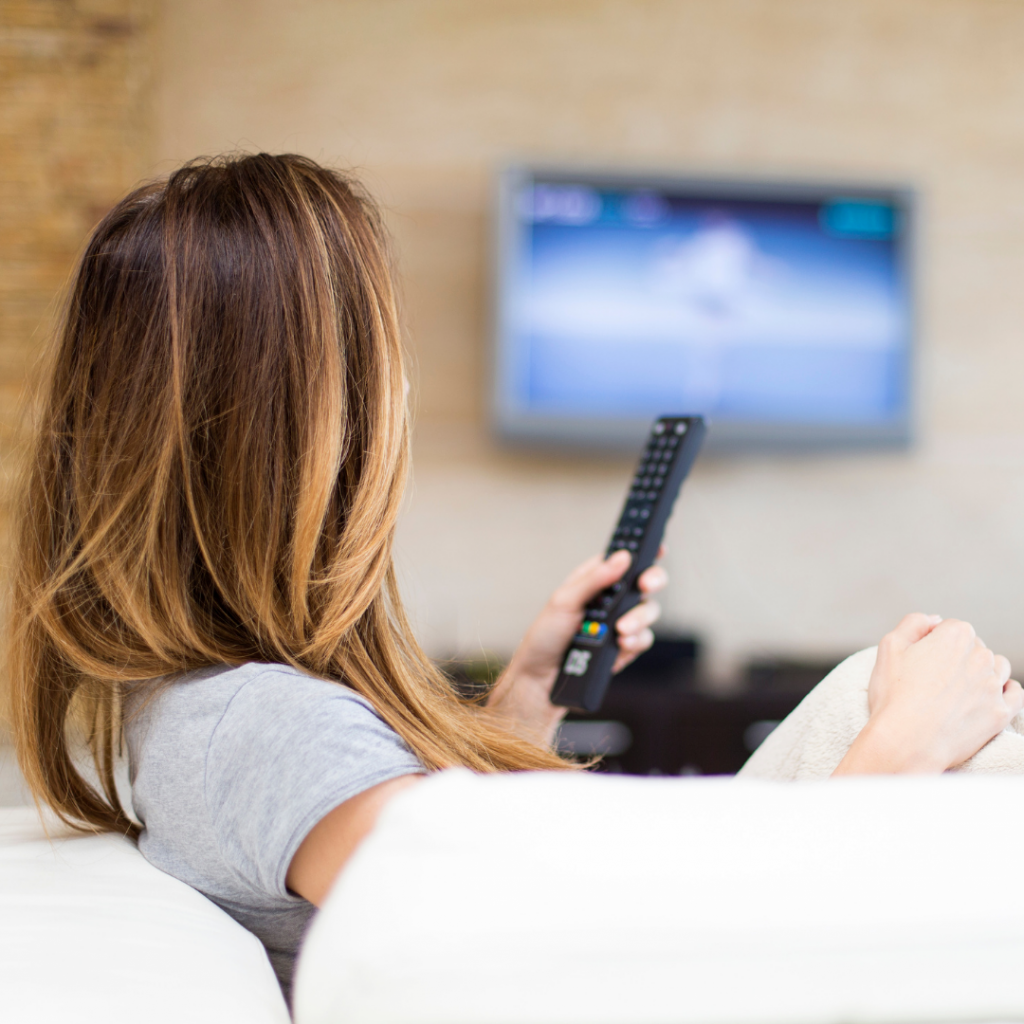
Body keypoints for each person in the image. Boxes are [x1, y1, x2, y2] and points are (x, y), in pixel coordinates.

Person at [8, 153, 1022, 999]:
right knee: (918, 707)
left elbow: (443, 879)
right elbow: (581, 977)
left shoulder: (191, 703)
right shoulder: (264, 726)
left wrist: (527, 694)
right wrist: (893, 751)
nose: (401, 388)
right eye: (381, 356)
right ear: (314, 419)